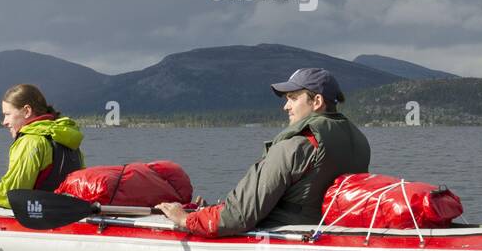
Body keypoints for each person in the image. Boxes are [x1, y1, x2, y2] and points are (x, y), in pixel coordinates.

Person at [156, 68, 370, 236]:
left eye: (293, 98)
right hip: (325, 232)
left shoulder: (295, 146)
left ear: (317, 101)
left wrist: (185, 219)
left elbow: (238, 217)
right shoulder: (359, 142)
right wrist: (209, 209)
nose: (286, 107)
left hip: (286, 237)